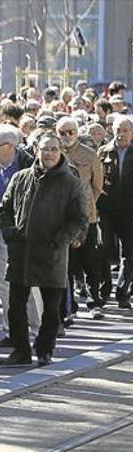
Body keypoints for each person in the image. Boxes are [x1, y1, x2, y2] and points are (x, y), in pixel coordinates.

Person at [0, 133, 88, 367]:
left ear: (60, 152)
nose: (49, 153)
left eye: (54, 149)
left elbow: (79, 218)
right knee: (16, 306)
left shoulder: (70, 182)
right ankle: (20, 350)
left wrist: (59, 240)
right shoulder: (20, 178)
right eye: (45, 148)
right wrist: (10, 231)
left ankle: (45, 349)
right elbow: (4, 209)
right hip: (21, 252)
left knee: (51, 308)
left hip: (52, 253)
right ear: (36, 150)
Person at [0, 125, 42, 349]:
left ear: (9, 146)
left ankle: (38, 330)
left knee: (30, 284)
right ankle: (12, 331)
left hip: (25, 234)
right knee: (4, 286)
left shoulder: (31, 165)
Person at [57, 117, 104, 320]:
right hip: (61, 218)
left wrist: (86, 204)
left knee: (89, 260)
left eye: (71, 132)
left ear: (76, 132)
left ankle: (94, 301)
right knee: (67, 264)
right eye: (63, 132)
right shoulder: (54, 153)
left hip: (87, 217)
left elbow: (97, 186)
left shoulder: (89, 154)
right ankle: (70, 307)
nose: (67, 136)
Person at [96, 116, 133, 308]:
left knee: (129, 253)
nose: (122, 134)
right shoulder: (103, 152)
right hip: (107, 210)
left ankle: (122, 292)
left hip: (129, 211)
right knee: (104, 250)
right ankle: (104, 289)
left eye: (126, 130)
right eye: (118, 130)